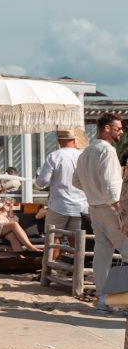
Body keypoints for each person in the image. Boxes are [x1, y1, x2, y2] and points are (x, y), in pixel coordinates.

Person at [73, 113, 126, 312]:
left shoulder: (85, 152)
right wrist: (120, 209)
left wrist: (92, 190)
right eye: (118, 128)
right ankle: (121, 300)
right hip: (111, 208)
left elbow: (76, 181)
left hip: (95, 208)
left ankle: (104, 299)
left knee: (102, 254)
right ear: (106, 128)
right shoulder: (108, 151)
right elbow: (111, 185)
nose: (121, 131)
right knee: (126, 252)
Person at [35, 129, 88, 251]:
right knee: (76, 241)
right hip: (80, 205)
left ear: (59, 141)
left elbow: (41, 182)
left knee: (53, 238)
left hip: (58, 205)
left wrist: (37, 176)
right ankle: (76, 269)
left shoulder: (54, 156)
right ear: (74, 140)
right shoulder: (83, 156)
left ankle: (51, 268)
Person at [0, 182, 41, 253]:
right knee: (14, 225)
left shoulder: (0, 204)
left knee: (12, 236)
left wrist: (10, 209)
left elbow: (13, 220)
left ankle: (17, 258)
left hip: (2, 229)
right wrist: (1, 211)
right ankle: (30, 247)